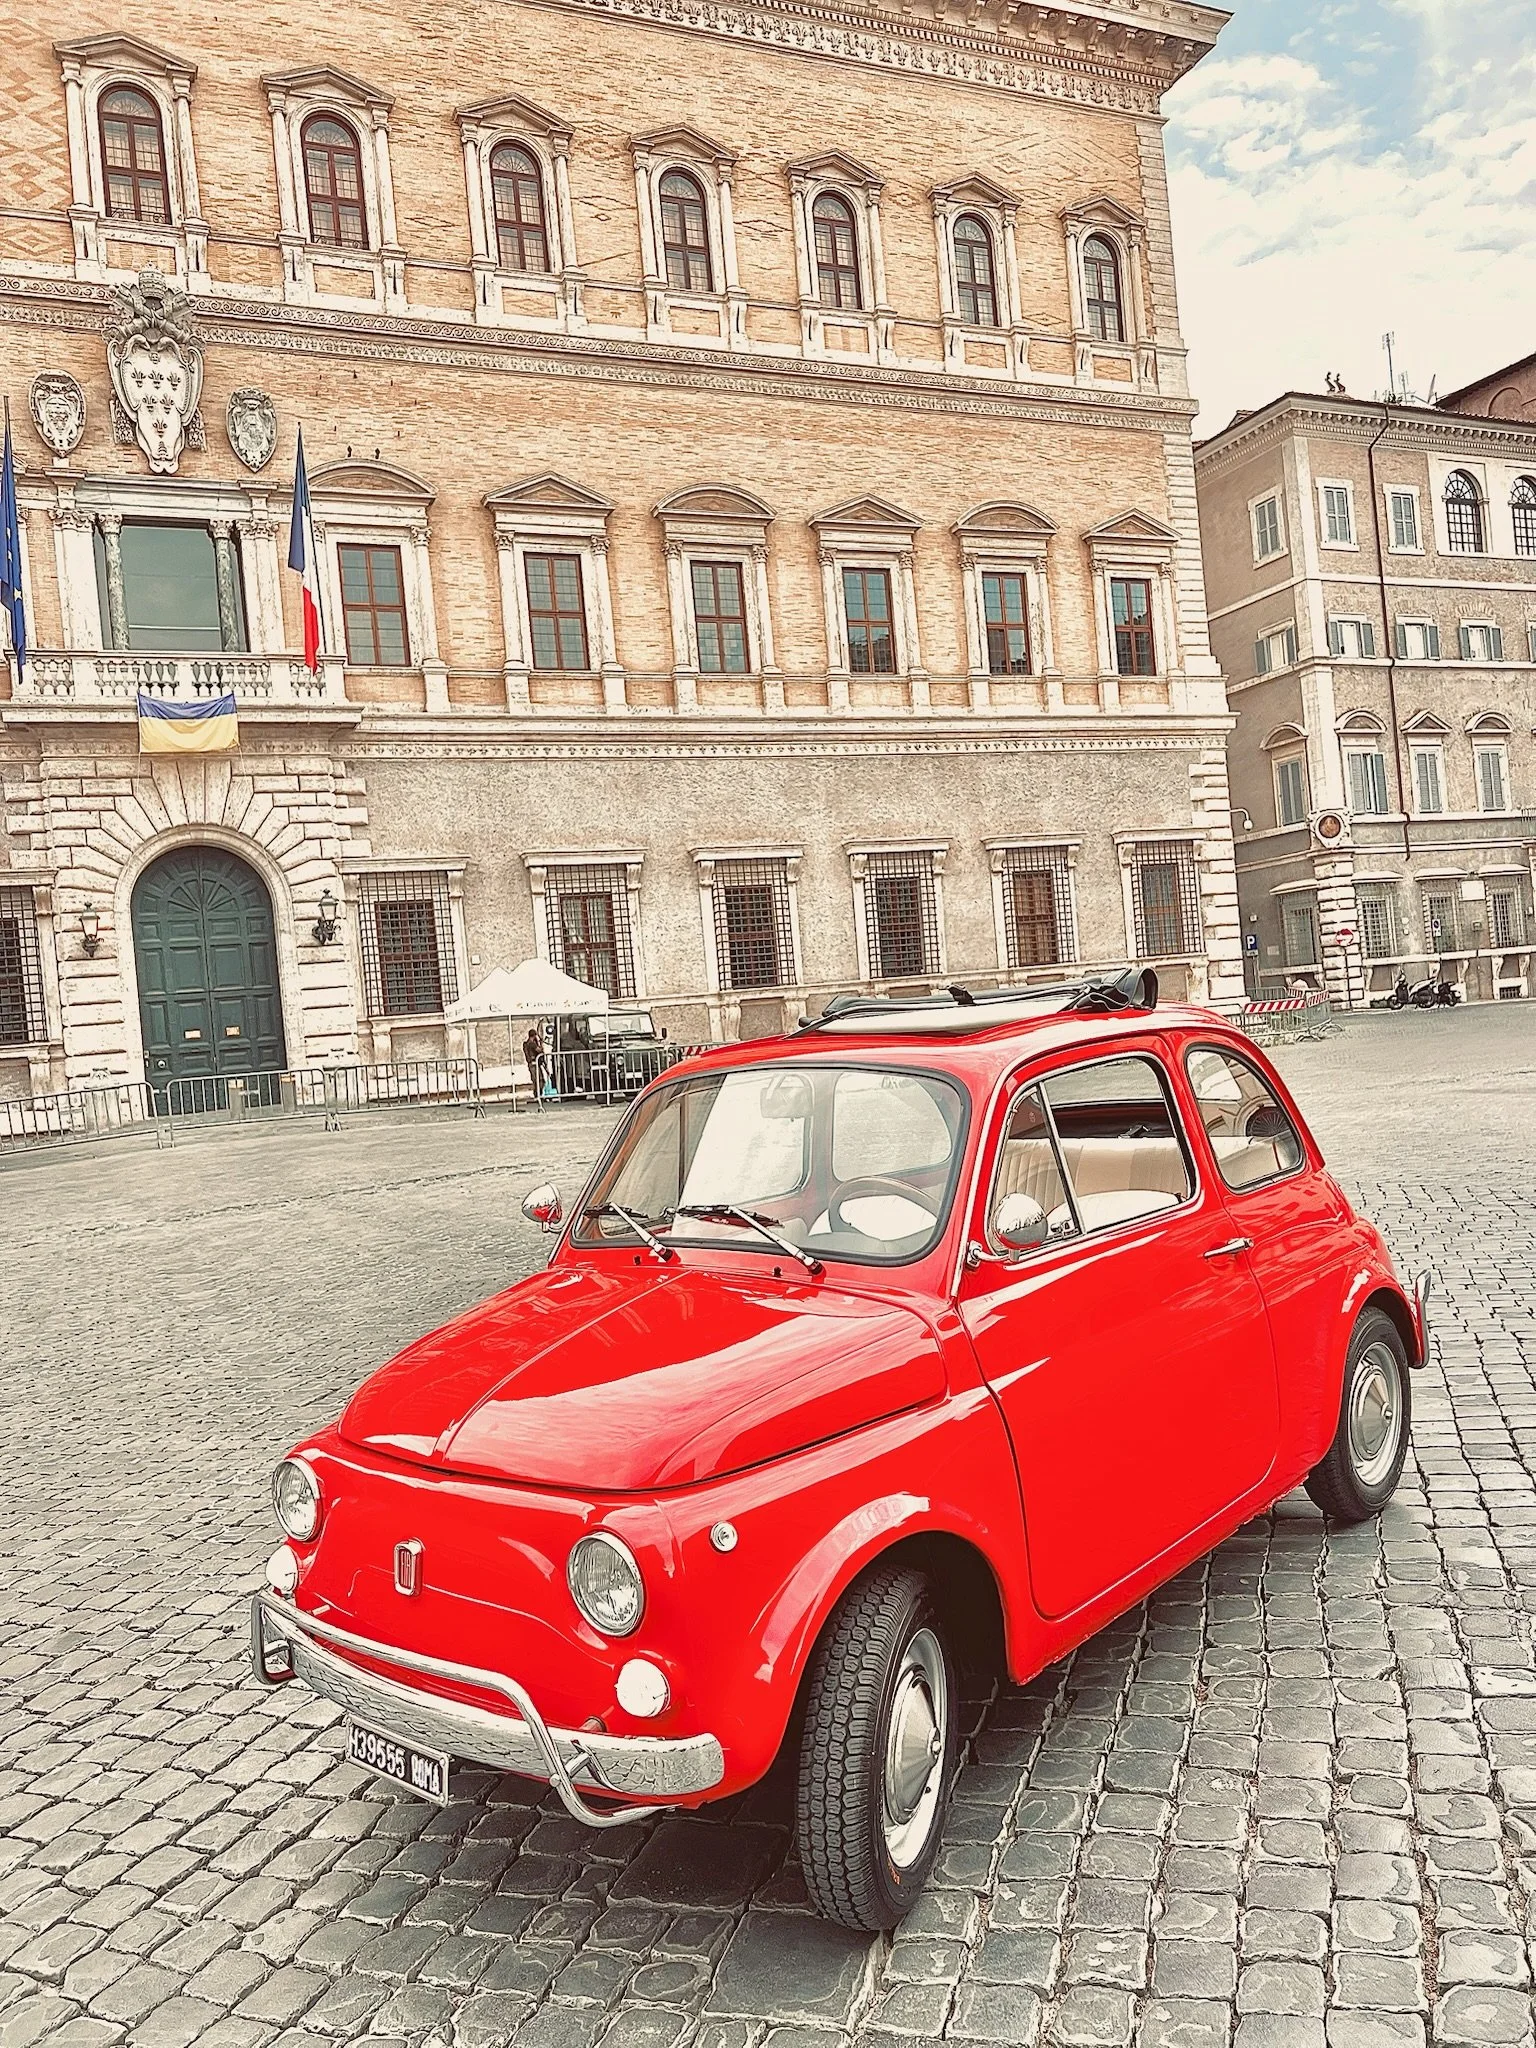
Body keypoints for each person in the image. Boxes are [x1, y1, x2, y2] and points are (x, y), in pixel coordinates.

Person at [522, 1022, 546, 1104]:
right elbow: (539, 1050)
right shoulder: (532, 1044)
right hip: (534, 1064)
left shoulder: (526, 1044)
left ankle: (537, 1095)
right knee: (540, 1080)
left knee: (536, 1080)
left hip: (531, 1064)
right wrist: (541, 1043)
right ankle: (538, 1095)